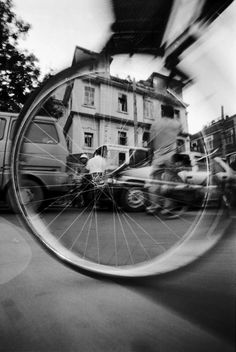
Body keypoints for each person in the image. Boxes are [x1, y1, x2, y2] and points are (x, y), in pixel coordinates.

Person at [146, 116, 182, 215]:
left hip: (158, 156)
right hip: (170, 156)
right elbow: (180, 135)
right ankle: (168, 208)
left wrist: (150, 157)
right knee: (169, 182)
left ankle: (154, 207)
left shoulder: (156, 123)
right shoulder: (176, 123)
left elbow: (151, 143)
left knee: (155, 182)